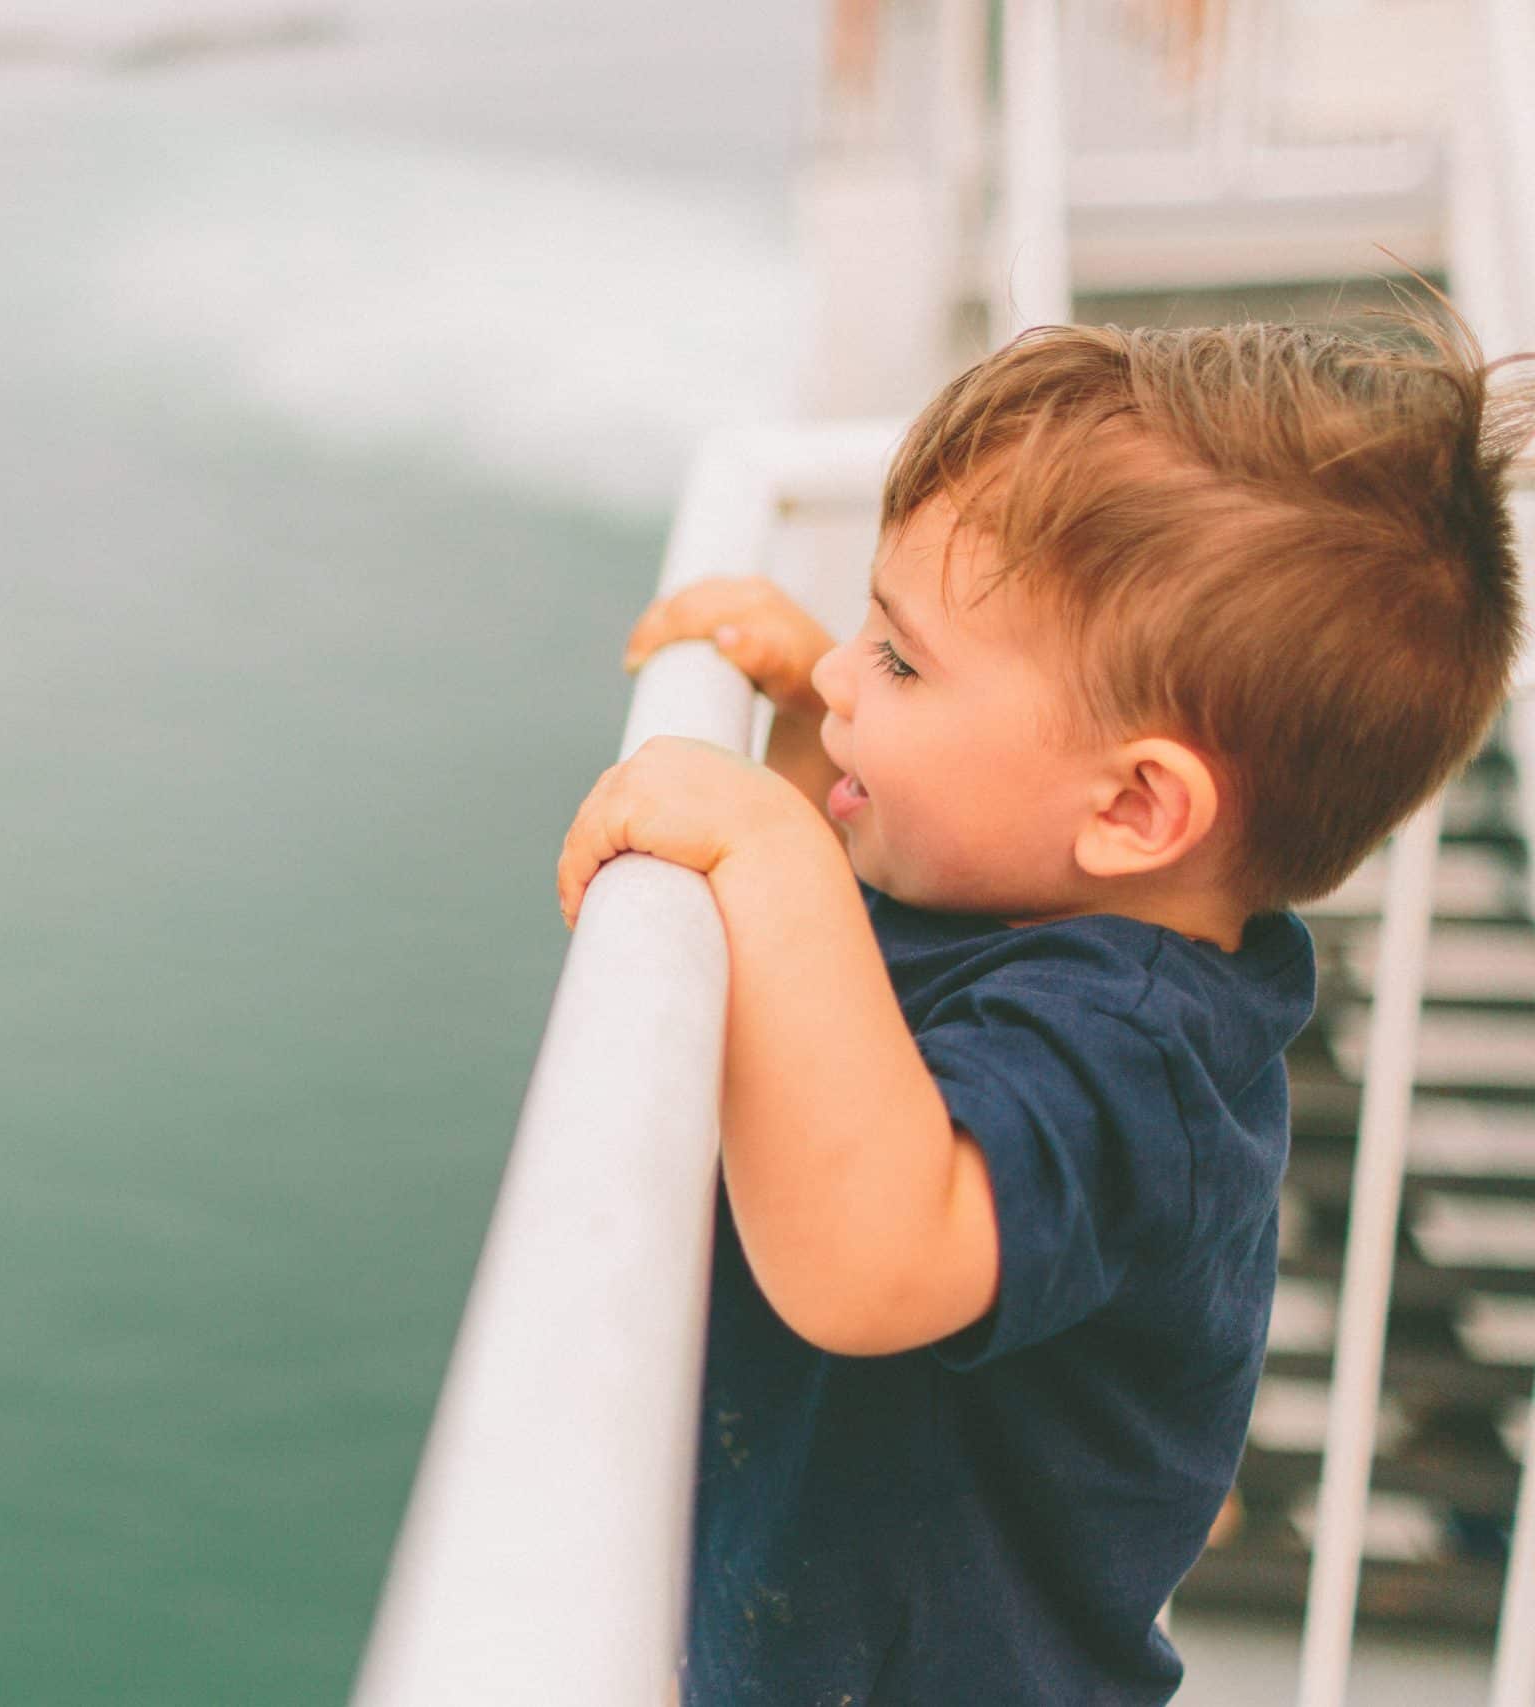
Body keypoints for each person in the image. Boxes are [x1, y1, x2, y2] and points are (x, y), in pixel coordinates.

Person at [555, 316, 1530, 1704]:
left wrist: (766, 849)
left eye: (899, 660)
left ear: (1136, 807)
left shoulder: (1138, 1053)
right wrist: (805, 746)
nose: (844, 674)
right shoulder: (1039, 911)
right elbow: (879, 989)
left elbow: (875, 1256)